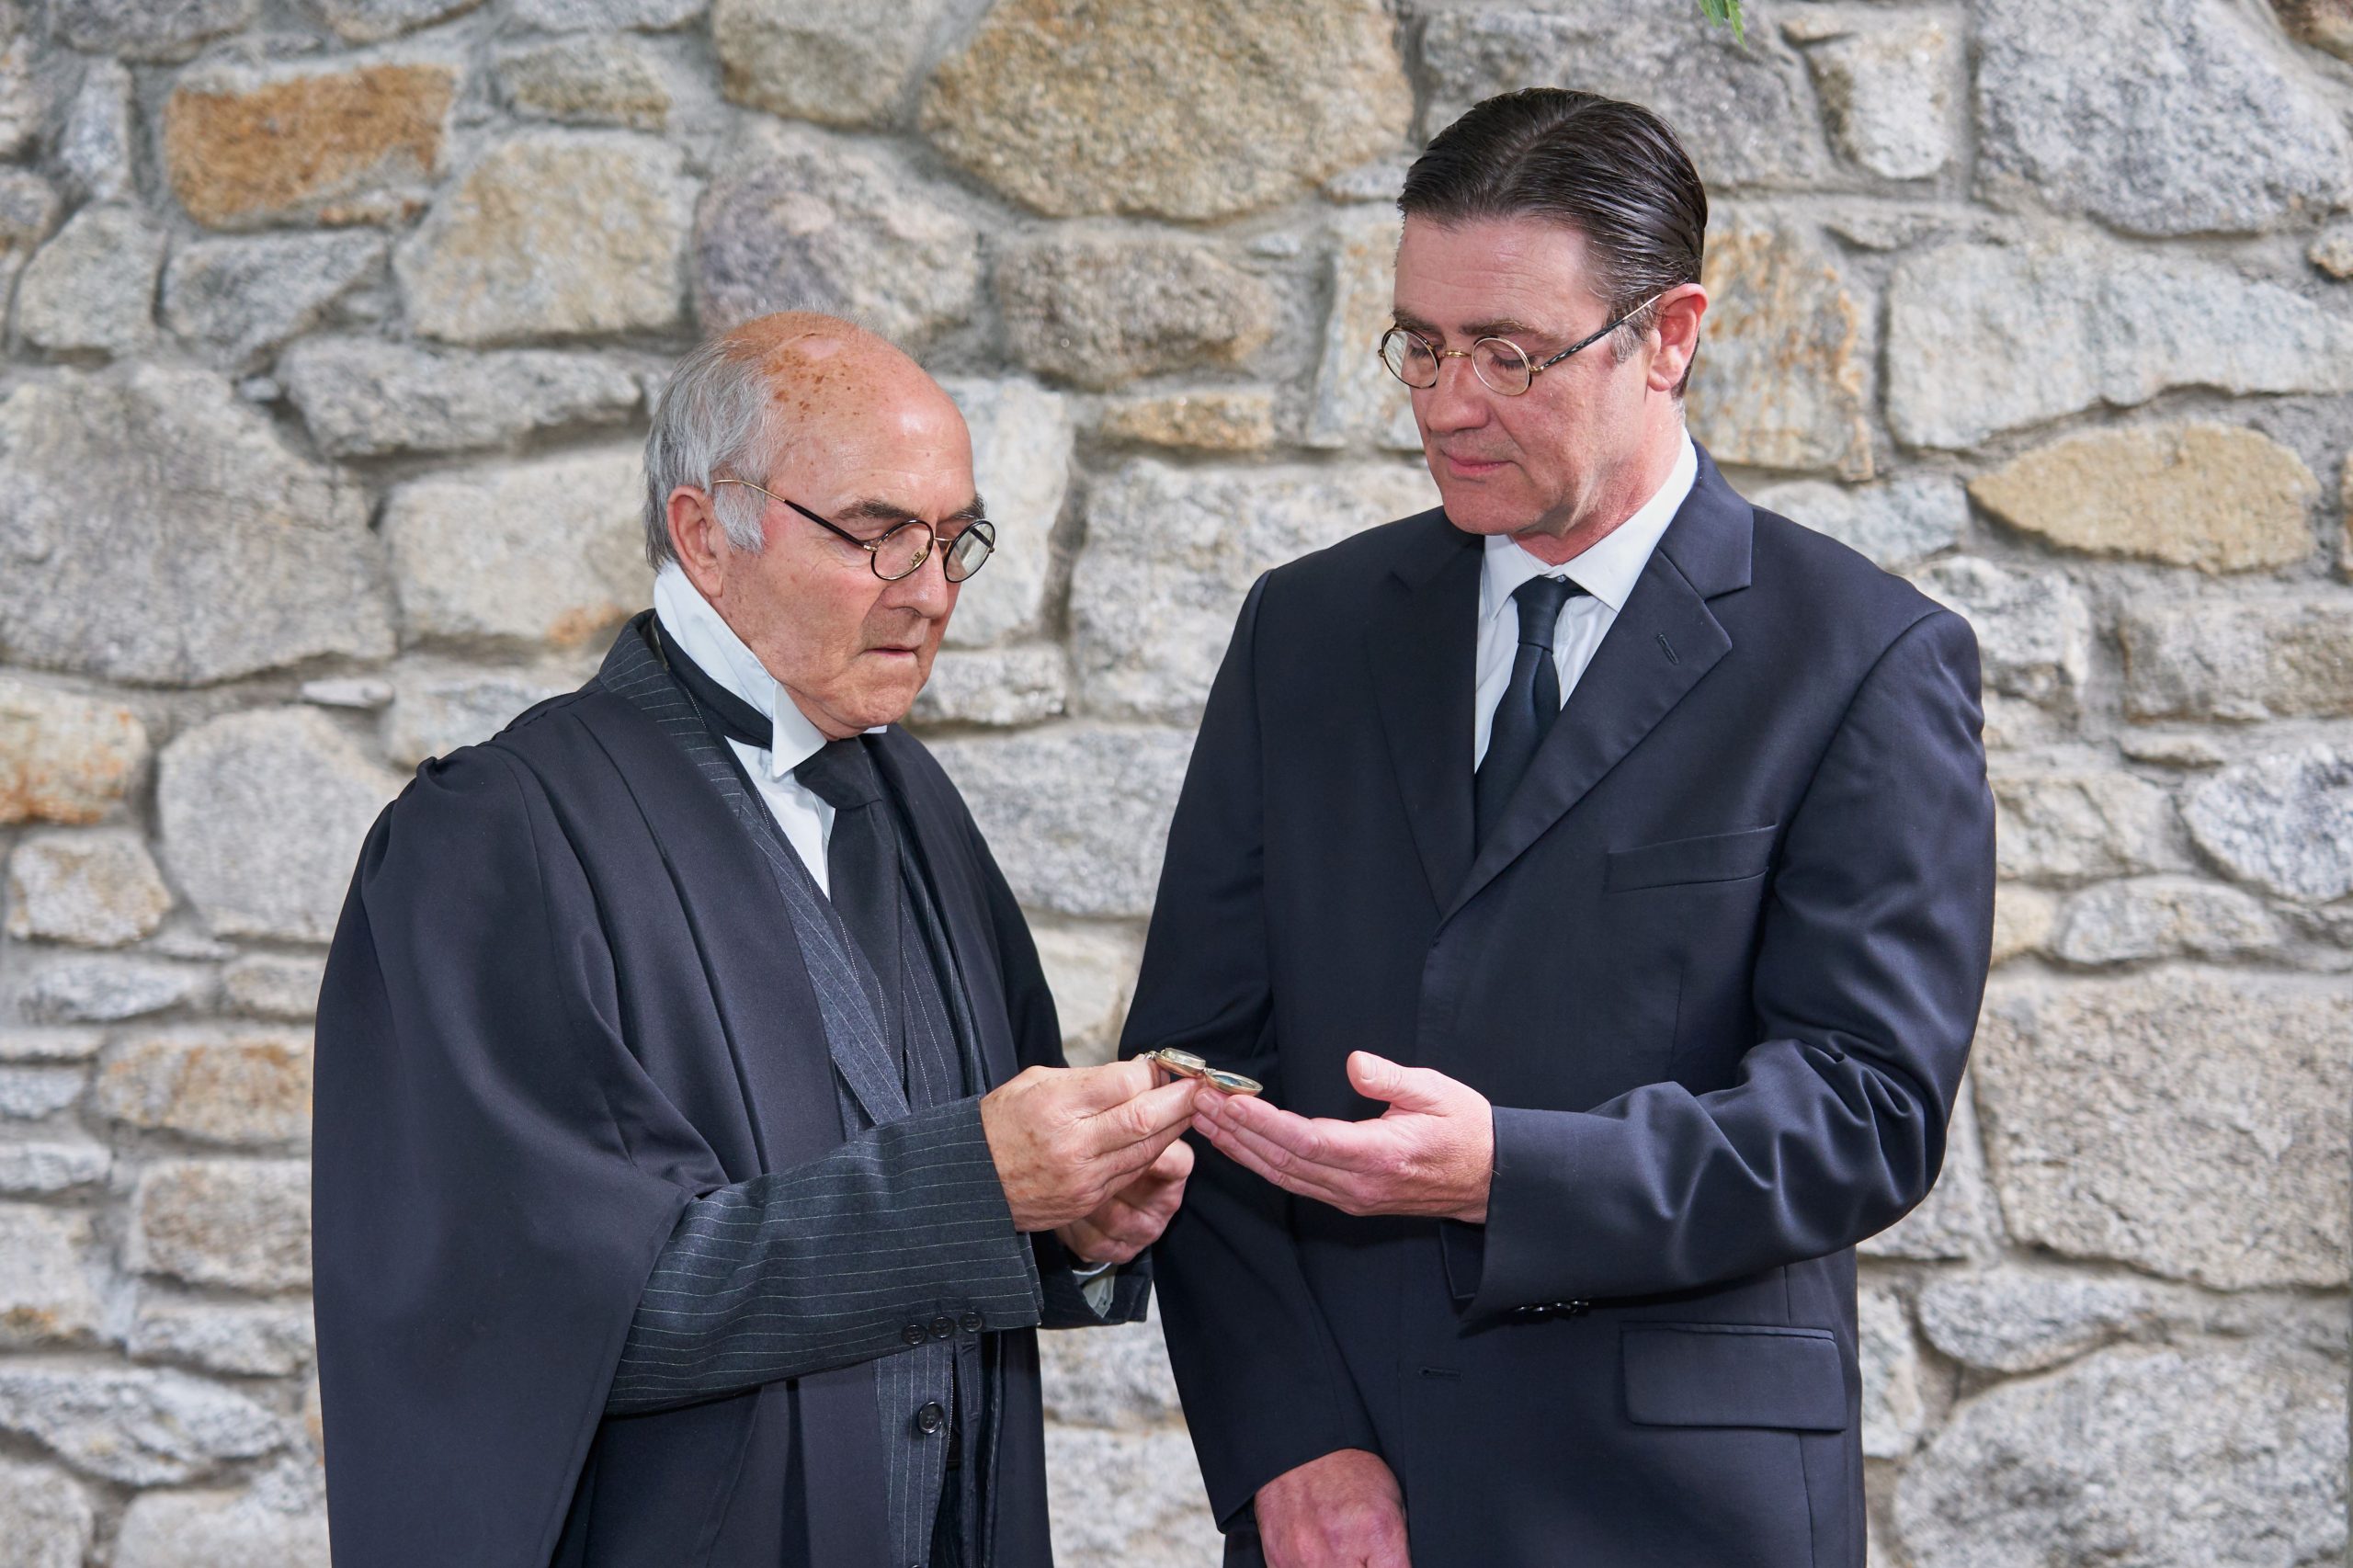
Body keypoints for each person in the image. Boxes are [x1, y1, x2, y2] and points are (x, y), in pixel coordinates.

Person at [1123, 89, 1995, 1568]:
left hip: (1683, 1517)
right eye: (1422, 343)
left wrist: (1509, 1172)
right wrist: (1289, 1442)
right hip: (1350, 1509)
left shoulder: (1862, 655)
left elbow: (1867, 1108)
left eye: (1511, 354)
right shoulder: (1305, 631)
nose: (1448, 402)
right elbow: (1199, 1071)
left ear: (1672, 335)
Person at [312, 312, 1205, 1568]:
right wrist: (978, 1185)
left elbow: (971, 1202)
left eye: (955, 541)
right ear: (703, 532)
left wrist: (1074, 1221)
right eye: (882, 534)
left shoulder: (916, 803)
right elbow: (548, 1315)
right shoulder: (494, 837)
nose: (936, 593)